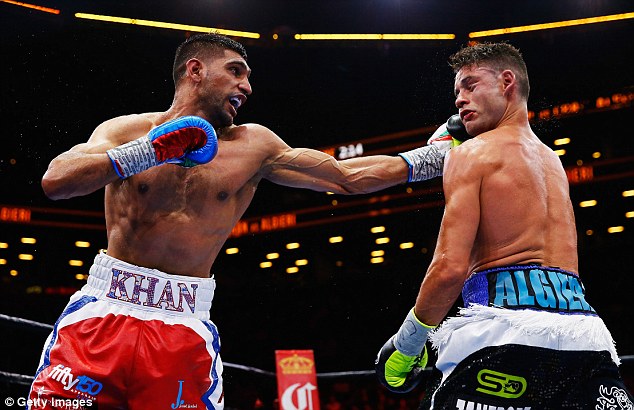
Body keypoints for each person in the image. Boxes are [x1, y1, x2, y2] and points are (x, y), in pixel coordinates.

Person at [28, 33, 468, 409]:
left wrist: (436, 156)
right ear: (195, 70)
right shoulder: (126, 132)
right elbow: (57, 180)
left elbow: (346, 177)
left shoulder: (254, 147)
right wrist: (152, 150)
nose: (247, 86)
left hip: (182, 328)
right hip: (102, 315)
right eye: (236, 72)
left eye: (248, 76)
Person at [376, 42, 634, 409]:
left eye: (470, 85)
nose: (459, 100)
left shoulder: (468, 153)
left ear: (506, 82)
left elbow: (450, 269)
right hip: (587, 338)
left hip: (501, 331)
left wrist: (408, 342)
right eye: (457, 92)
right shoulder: (552, 161)